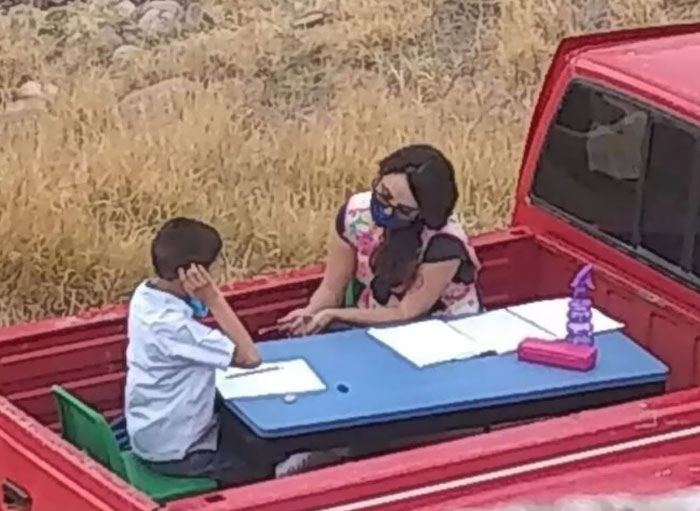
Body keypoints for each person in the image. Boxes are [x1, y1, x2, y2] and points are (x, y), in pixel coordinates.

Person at [278, 143, 482, 336]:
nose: (385, 209)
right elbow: (332, 287)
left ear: (424, 214)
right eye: (384, 194)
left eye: (402, 210)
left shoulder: (444, 244)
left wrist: (335, 314)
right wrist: (310, 312)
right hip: (372, 323)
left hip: (443, 331)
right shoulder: (355, 216)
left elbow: (406, 313)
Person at [124, 217, 265, 486]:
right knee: (260, 465)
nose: (221, 270)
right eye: (217, 265)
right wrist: (214, 298)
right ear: (192, 274)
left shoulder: (145, 294)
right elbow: (250, 357)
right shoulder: (173, 328)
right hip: (177, 452)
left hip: (151, 430)